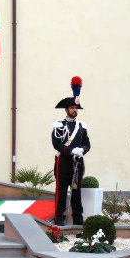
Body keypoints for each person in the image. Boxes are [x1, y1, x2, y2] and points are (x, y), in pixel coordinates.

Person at [51, 76, 90, 226]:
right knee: (61, 191)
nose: (75, 110)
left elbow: (87, 143)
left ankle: (78, 220)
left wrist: (83, 150)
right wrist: (71, 151)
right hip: (64, 162)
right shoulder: (58, 125)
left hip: (77, 163)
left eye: (76, 108)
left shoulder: (82, 126)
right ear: (66, 109)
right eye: (72, 108)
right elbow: (56, 144)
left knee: (76, 191)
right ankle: (59, 219)